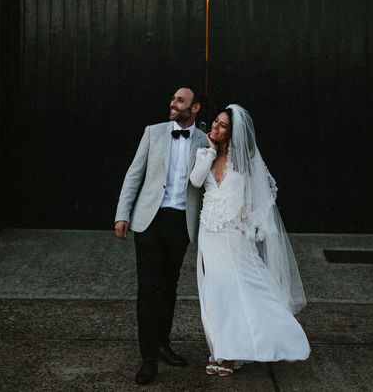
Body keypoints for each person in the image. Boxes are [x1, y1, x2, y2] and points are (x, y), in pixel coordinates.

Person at [189, 104, 310, 377]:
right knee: (214, 291)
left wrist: (251, 219)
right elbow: (196, 182)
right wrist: (208, 150)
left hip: (236, 236)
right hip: (210, 234)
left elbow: (264, 192)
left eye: (222, 126)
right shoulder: (206, 154)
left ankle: (242, 348)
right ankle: (222, 347)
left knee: (242, 290)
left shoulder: (246, 160)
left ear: (233, 133)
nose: (215, 128)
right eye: (215, 123)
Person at [114, 86, 209, 386]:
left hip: (181, 223)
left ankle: (162, 344)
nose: (173, 103)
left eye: (180, 100)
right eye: (172, 98)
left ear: (195, 108)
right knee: (148, 287)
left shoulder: (205, 141)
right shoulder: (152, 132)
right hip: (149, 220)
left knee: (169, 286)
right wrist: (122, 214)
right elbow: (134, 174)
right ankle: (148, 359)